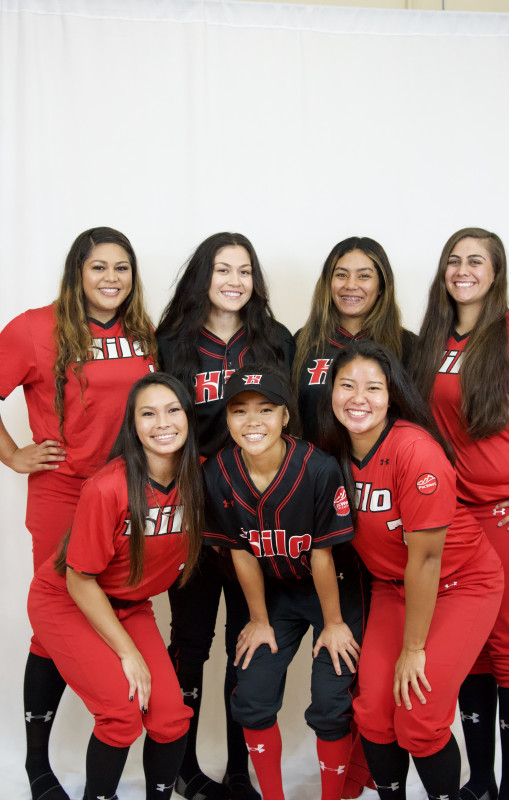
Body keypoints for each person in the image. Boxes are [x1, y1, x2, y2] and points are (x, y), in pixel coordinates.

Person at [0, 226, 156, 800]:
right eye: (99, 267)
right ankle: (37, 767)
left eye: (122, 267)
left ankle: (110, 739)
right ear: (76, 272)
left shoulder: (142, 332)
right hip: (64, 496)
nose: (111, 278)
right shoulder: (35, 328)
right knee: (56, 621)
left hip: (127, 498)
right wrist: (14, 454)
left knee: (115, 604)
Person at [320, 339, 504, 800]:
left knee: (419, 719)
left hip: (461, 585)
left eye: (373, 388)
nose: (358, 398)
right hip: (393, 588)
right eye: (346, 385)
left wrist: (413, 649)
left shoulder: (415, 451)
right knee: (375, 716)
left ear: (392, 395)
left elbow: (425, 558)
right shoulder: (332, 451)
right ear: (330, 393)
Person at [157, 232, 294, 800]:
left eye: (245, 271)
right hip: (190, 515)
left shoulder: (275, 340)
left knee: (246, 640)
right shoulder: (170, 343)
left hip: (253, 515)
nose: (235, 281)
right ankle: (184, 768)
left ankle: (241, 770)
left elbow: (292, 427)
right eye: (223, 270)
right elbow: (152, 425)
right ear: (202, 277)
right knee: (191, 643)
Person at [27, 372, 202, 800]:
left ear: (188, 417)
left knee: (171, 718)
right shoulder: (108, 487)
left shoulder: (197, 476)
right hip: (67, 597)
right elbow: (79, 578)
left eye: (173, 410)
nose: (162, 422)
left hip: (130, 602)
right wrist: (129, 653)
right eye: (148, 413)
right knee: (122, 716)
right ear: (133, 425)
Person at [202, 365, 367, 800]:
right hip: (278, 593)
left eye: (266, 409)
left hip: (335, 589)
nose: (253, 421)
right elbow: (240, 550)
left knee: (331, 703)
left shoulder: (318, 468)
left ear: (286, 416)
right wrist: (257, 619)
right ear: (226, 419)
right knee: (252, 698)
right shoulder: (218, 472)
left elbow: (323, 552)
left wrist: (333, 623)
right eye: (239, 411)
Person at [411, 227, 509, 800]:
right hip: (450, 516)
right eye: (454, 260)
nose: (463, 270)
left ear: (496, 271)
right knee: (472, 651)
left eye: (476, 261)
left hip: (508, 517)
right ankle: (478, 782)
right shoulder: (433, 340)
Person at [293, 236, 416, 444]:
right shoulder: (303, 341)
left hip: (381, 470)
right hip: (314, 470)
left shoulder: (408, 345)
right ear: (328, 283)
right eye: (341, 275)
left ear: (381, 287)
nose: (350, 285)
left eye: (364, 276)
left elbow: (414, 422)